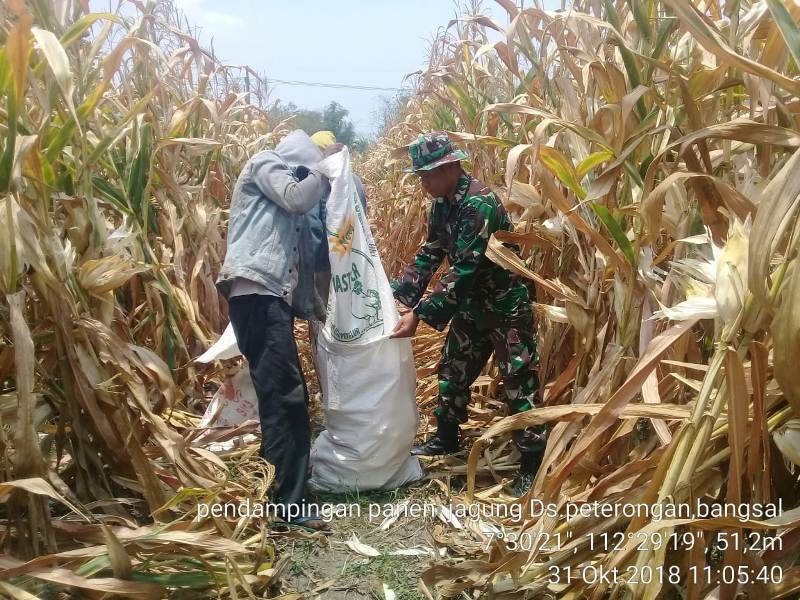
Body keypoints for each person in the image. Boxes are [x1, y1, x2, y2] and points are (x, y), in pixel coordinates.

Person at [389, 132, 546, 493]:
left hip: (505, 308)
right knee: (452, 371)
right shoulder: (442, 203)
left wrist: (420, 314)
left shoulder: (479, 205)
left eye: (428, 174)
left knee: (518, 382)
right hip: (472, 307)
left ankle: (532, 462)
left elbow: (464, 270)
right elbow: (431, 252)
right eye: (421, 175)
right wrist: (399, 295)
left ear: (450, 167)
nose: (424, 182)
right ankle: (446, 438)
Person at [216, 129, 338, 531]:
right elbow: (297, 196)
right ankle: (289, 503)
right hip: (256, 295)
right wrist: (324, 170)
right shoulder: (265, 163)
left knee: (279, 393)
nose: (307, 178)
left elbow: (309, 255)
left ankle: (279, 488)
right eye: (302, 170)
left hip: (271, 302)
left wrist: (320, 312)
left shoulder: (294, 205)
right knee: (286, 396)